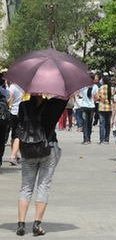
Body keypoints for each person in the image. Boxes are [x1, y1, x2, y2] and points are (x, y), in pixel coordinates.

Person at [15, 95, 68, 236]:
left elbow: (18, 129)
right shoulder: (52, 105)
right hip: (47, 149)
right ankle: (37, 224)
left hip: (27, 150)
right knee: (43, 186)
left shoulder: (23, 106)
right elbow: (65, 97)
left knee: (26, 187)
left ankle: (21, 224)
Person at [78, 74, 99, 144]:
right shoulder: (95, 86)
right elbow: (97, 98)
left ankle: (85, 139)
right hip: (92, 107)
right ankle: (89, 139)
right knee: (90, 123)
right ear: (93, 80)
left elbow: (80, 96)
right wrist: (92, 100)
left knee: (85, 123)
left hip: (84, 107)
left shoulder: (83, 86)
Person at [7, 82, 24, 165]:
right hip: (22, 113)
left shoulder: (13, 86)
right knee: (19, 135)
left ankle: (15, 155)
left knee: (14, 134)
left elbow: (9, 99)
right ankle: (13, 156)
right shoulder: (25, 86)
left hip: (13, 112)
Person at [97, 76, 113, 144]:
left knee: (102, 124)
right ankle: (107, 140)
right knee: (107, 124)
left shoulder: (101, 88)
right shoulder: (111, 89)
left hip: (102, 108)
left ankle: (102, 140)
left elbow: (98, 97)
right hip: (109, 108)